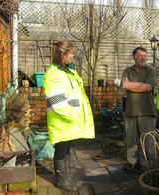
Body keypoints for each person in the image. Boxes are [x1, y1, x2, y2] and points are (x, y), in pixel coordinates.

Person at [43, 41, 95, 191]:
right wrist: (74, 116)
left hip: (68, 120)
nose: (73, 55)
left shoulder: (66, 71)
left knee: (66, 148)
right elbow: (57, 101)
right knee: (61, 149)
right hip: (63, 120)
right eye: (71, 53)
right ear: (63, 54)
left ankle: (66, 178)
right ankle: (62, 182)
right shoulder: (54, 74)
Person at [121, 47, 157, 172]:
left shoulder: (150, 70)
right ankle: (132, 162)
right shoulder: (127, 70)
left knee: (147, 139)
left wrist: (131, 85)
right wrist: (140, 84)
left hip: (147, 110)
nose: (143, 58)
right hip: (130, 110)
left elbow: (148, 87)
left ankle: (146, 164)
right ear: (134, 57)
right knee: (131, 139)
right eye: (141, 56)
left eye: (145, 56)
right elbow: (124, 85)